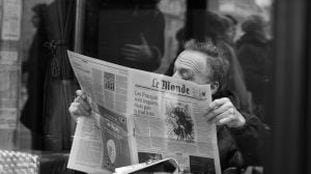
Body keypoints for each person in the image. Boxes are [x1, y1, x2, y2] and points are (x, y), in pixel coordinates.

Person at [69, 40, 264, 172]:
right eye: (174, 71)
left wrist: (242, 127)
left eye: (186, 75)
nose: (174, 80)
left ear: (212, 87)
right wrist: (86, 119)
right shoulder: (148, 109)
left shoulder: (233, 124)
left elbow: (269, 161)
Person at [236, 15, 272, 118]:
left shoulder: (263, 44)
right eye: (265, 26)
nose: (268, 28)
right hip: (257, 98)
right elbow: (247, 76)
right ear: (258, 30)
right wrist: (267, 82)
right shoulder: (247, 48)